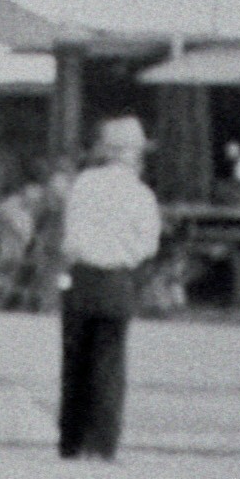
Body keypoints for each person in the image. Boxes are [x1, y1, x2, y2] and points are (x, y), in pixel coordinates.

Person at [58, 115, 164, 461]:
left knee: (75, 363)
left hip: (81, 278)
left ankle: (71, 442)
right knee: (110, 365)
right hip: (118, 282)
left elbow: (69, 237)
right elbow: (148, 245)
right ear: (132, 154)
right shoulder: (141, 195)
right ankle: (102, 445)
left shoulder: (84, 184)